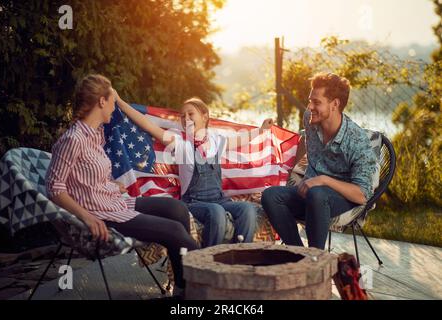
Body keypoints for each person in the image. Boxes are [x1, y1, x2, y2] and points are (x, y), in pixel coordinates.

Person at [45, 74, 198, 295]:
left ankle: (182, 286)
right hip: (102, 212)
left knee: (177, 208)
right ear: (101, 101)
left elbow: (85, 177)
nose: (114, 107)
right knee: (173, 229)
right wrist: (88, 217)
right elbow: (54, 188)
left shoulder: (94, 135)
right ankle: (215, 271)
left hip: (114, 200)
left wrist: (112, 184)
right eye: (113, 102)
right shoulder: (73, 139)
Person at [116, 95, 273, 247]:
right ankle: (207, 260)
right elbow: (149, 126)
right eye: (183, 116)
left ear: (204, 116)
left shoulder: (216, 141)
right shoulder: (180, 144)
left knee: (247, 210)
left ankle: (240, 253)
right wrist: (120, 102)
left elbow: (240, 140)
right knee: (216, 212)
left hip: (219, 199)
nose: (186, 118)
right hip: (193, 202)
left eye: (191, 114)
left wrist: (261, 130)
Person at [261, 73, 378, 250]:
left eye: (316, 102)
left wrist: (323, 180)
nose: (309, 106)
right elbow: (304, 139)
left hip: (343, 198)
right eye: (310, 101)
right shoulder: (310, 119)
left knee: (317, 193)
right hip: (311, 194)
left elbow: (362, 195)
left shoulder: (357, 140)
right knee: (271, 195)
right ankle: (299, 254)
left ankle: (316, 256)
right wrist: (291, 168)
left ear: (335, 104)